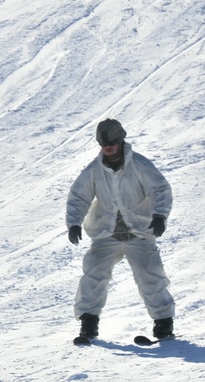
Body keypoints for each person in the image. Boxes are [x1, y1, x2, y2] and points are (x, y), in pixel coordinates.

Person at [66, 119, 176, 342]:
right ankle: (88, 323)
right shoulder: (94, 170)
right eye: (103, 143)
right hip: (106, 235)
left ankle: (163, 324)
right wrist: (74, 222)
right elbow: (79, 196)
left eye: (112, 142)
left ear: (121, 140)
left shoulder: (139, 165)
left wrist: (159, 215)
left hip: (139, 232)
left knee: (150, 276)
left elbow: (160, 189)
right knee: (93, 274)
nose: (108, 147)